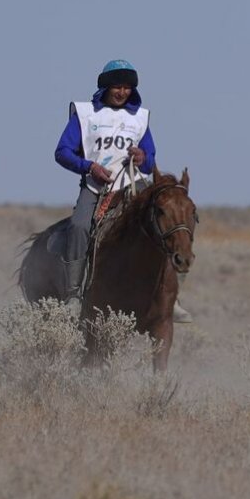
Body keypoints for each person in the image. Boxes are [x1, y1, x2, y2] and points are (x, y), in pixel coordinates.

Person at [53, 60, 193, 323]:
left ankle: (170, 297)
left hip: (135, 186)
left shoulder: (139, 118)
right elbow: (62, 152)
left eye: (128, 87)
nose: (122, 92)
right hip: (97, 187)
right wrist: (88, 166)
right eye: (117, 86)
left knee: (163, 223)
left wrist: (142, 157)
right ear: (105, 87)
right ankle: (73, 295)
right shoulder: (85, 115)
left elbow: (150, 159)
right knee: (79, 226)